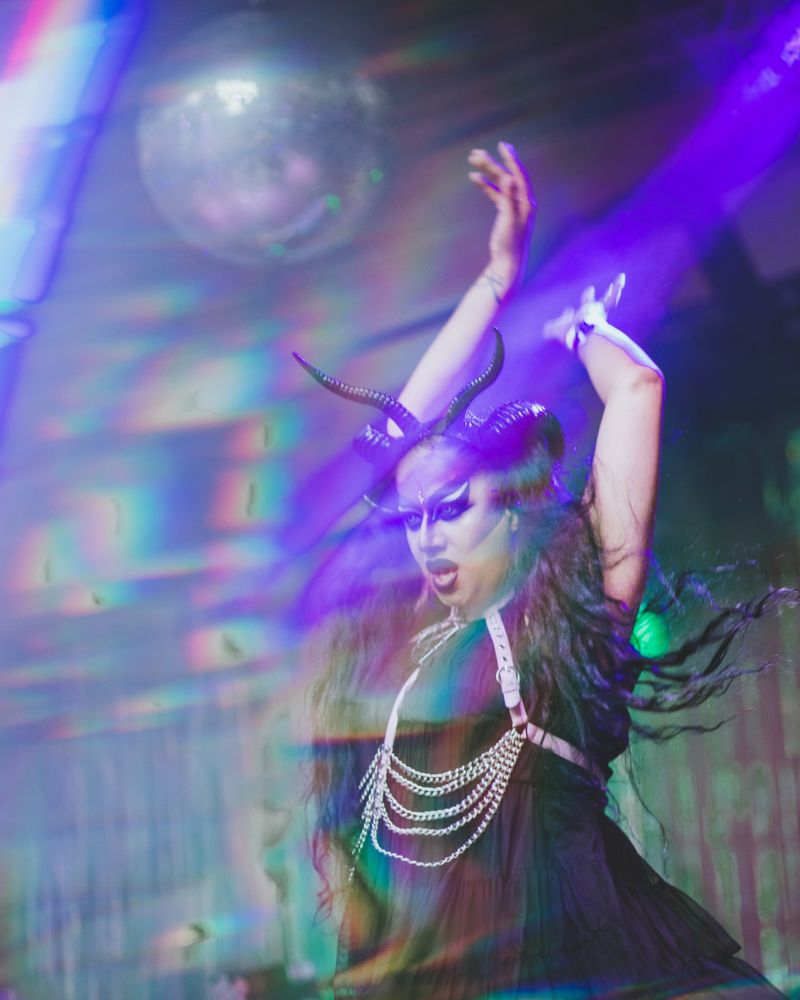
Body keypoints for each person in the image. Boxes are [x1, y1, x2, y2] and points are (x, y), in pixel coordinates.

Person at [295, 143, 794, 998]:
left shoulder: (563, 624)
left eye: (453, 507)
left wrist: (576, 325)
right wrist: (491, 284)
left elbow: (637, 389)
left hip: (585, 963)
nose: (426, 536)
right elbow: (389, 442)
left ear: (515, 505)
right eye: (412, 518)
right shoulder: (401, 651)